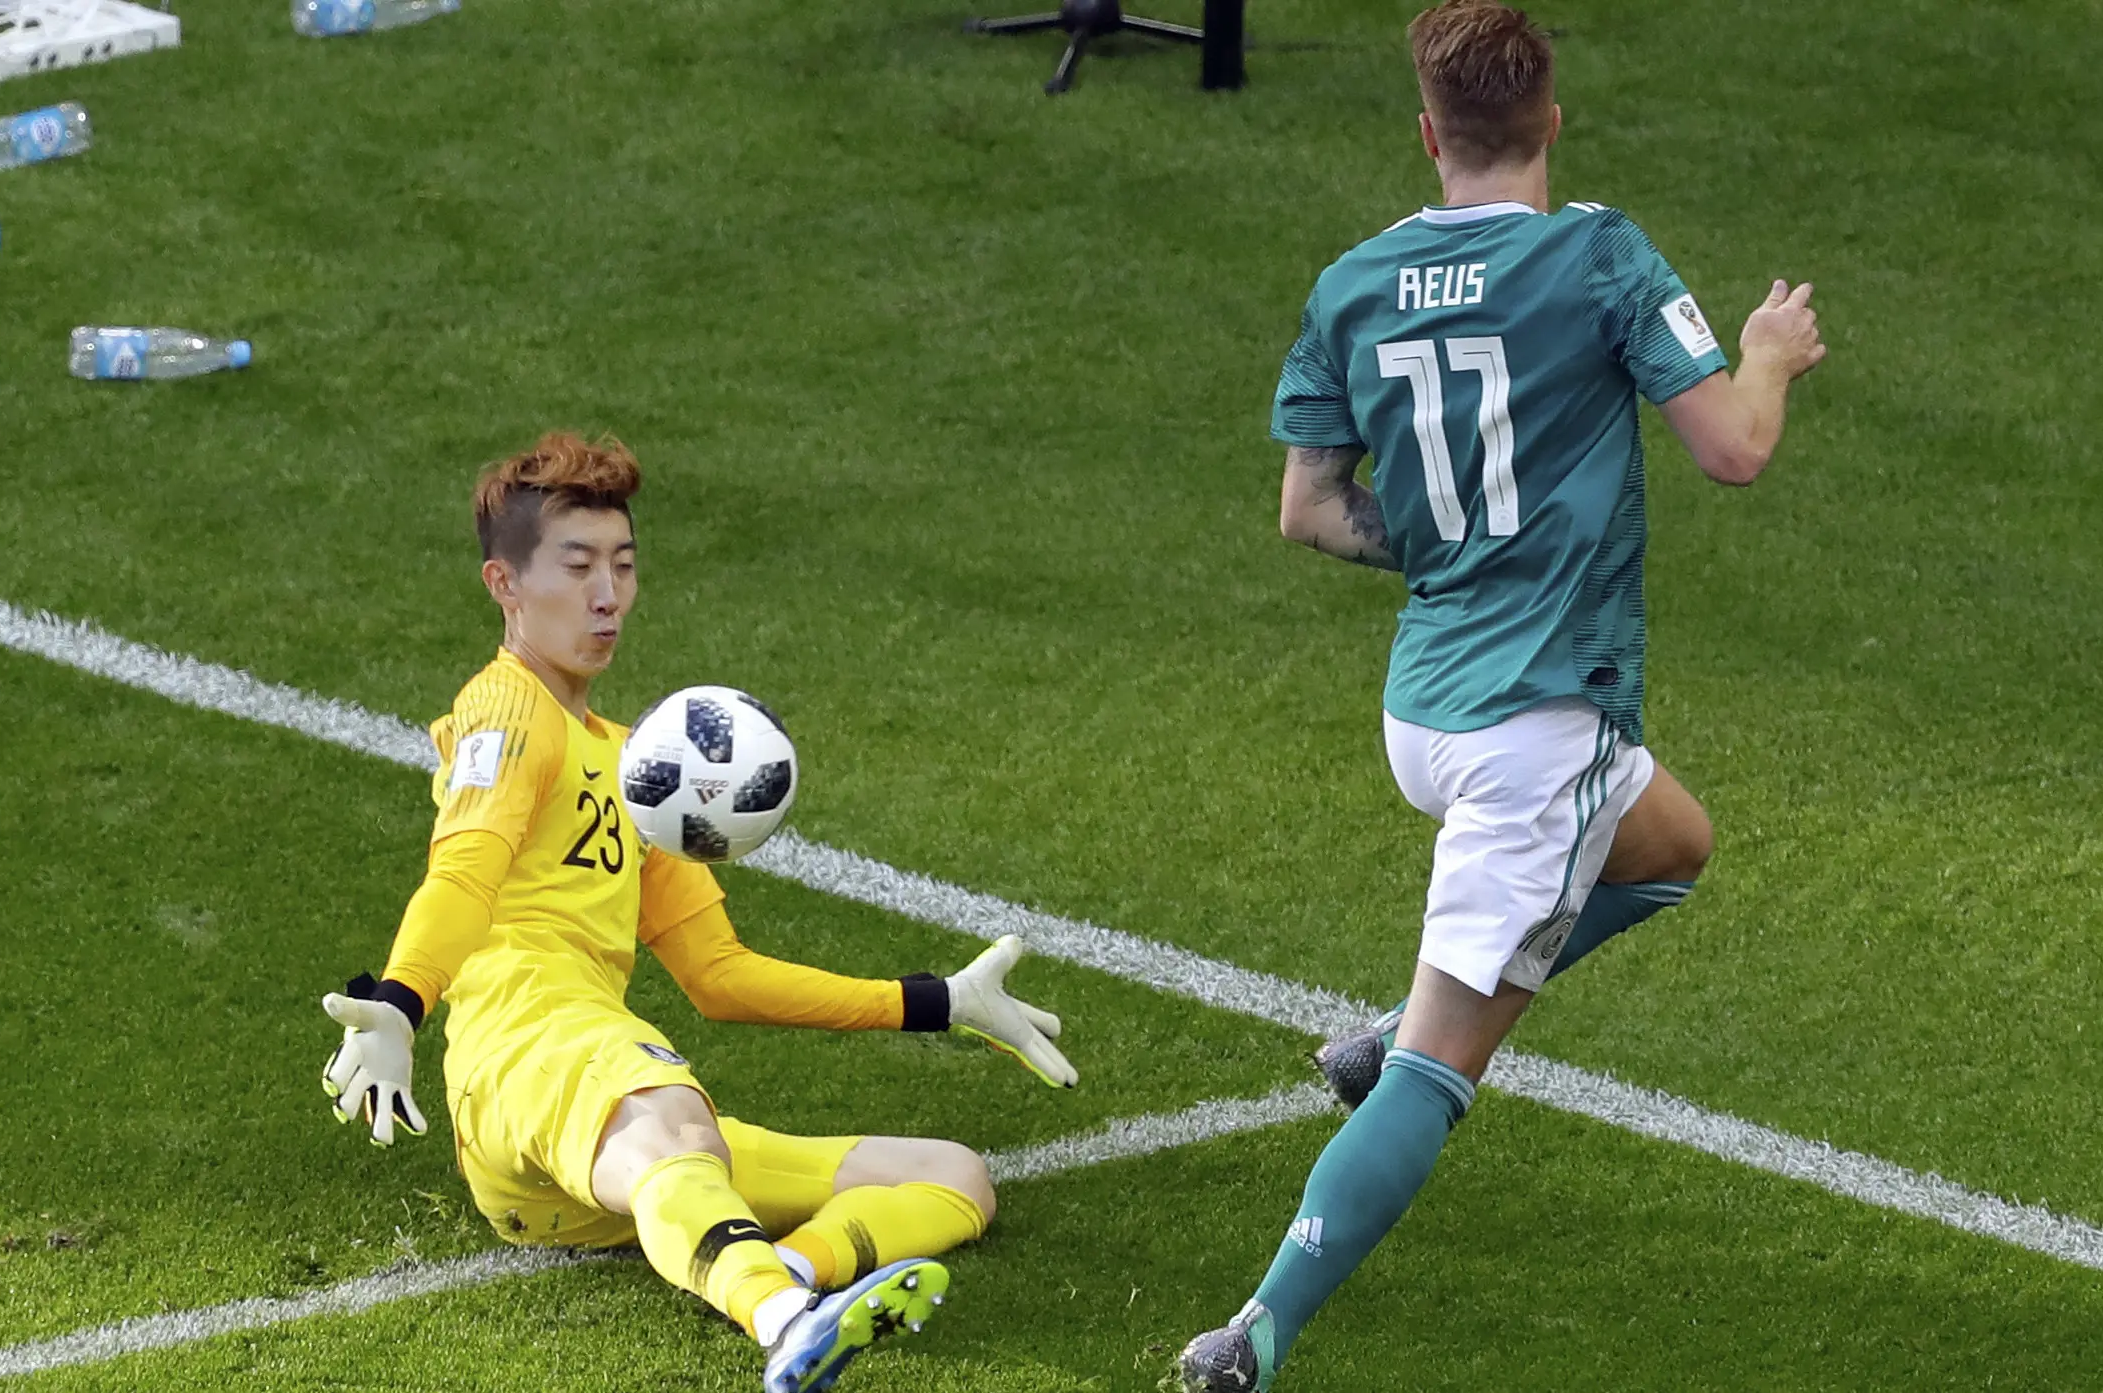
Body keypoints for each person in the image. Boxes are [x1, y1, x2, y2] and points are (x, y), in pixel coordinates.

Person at [1176, 3, 1827, 1387]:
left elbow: (1307, 510)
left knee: (1672, 848)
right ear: (1553, 123)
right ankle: (1257, 1331)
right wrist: (1769, 352)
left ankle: (1387, 1033)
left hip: (1426, 709)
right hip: (1538, 726)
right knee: (1443, 1070)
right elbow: (1733, 450)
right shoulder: (1598, 254)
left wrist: (1454, 546)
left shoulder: (1352, 284)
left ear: (1427, 135)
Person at [317, 432, 1079, 1393]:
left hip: (578, 1161)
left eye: (624, 567)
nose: (609, 596)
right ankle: (785, 1319)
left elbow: (720, 974)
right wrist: (400, 1002)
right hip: (531, 1061)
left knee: (952, 1177)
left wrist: (937, 1000)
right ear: (504, 584)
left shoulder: (643, 766)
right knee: (677, 1118)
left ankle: (797, 1270)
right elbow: (465, 871)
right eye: (579, 566)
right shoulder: (505, 710)